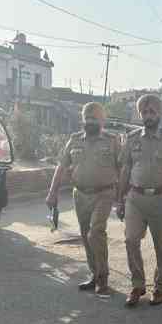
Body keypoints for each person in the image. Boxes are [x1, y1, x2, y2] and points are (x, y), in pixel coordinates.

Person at [117, 94, 162, 307]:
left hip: (161, 199)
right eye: (144, 112)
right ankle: (138, 285)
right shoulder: (132, 138)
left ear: (160, 113)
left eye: (152, 112)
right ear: (140, 115)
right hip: (135, 198)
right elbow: (125, 169)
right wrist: (119, 198)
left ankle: (160, 286)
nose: (148, 116)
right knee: (131, 240)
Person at [46, 102, 120, 297]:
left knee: (95, 232)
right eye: (87, 117)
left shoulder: (112, 141)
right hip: (80, 194)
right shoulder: (74, 140)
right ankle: (94, 274)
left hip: (104, 193)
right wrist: (52, 192)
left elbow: (123, 169)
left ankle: (103, 278)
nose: (90, 121)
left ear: (102, 120)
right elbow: (61, 167)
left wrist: (122, 197)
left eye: (94, 117)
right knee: (85, 236)